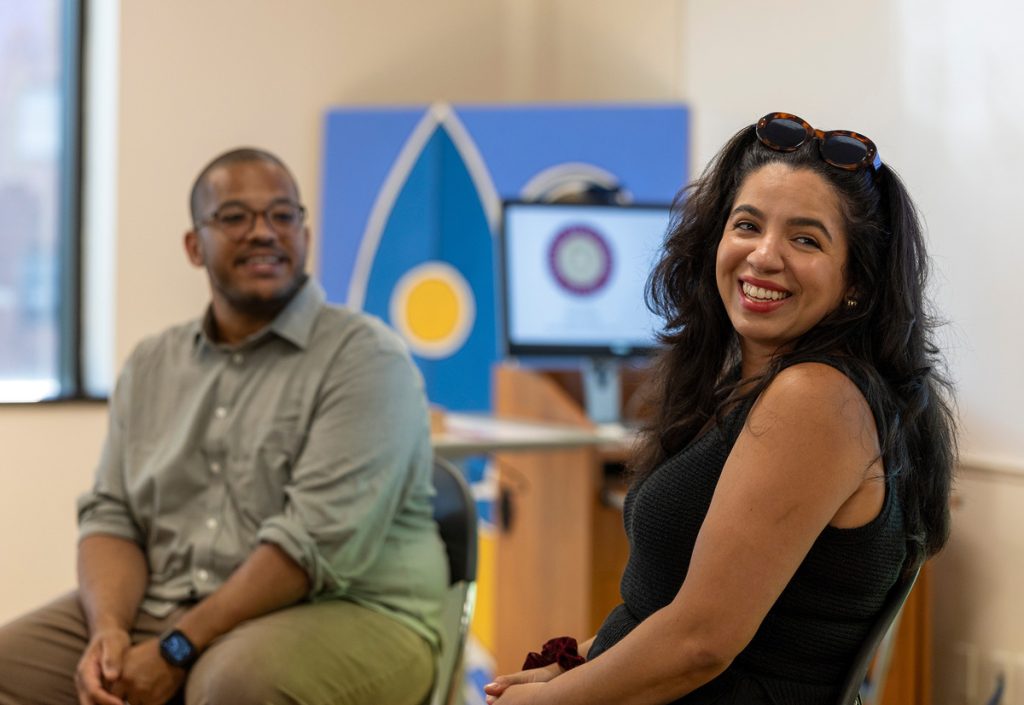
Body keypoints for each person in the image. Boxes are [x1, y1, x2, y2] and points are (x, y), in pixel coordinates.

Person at [484, 112, 956, 705]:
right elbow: (669, 609)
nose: (764, 255)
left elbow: (701, 644)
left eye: (805, 240)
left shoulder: (813, 398)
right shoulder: (753, 387)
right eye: (747, 225)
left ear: (856, 281)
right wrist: (574, 665)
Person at [0, 147, 448, 705]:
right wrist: (108, 632)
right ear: (194, 246)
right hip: (170, 605)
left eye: (282, 215)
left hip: (349, 608)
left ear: (305, 235)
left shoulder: (366, 359)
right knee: (10, 666)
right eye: (235, 217)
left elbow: (310, 547)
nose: (263, 232)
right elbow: (112, 516)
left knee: (232, 685)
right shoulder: (151, 364)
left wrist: (176, 649)